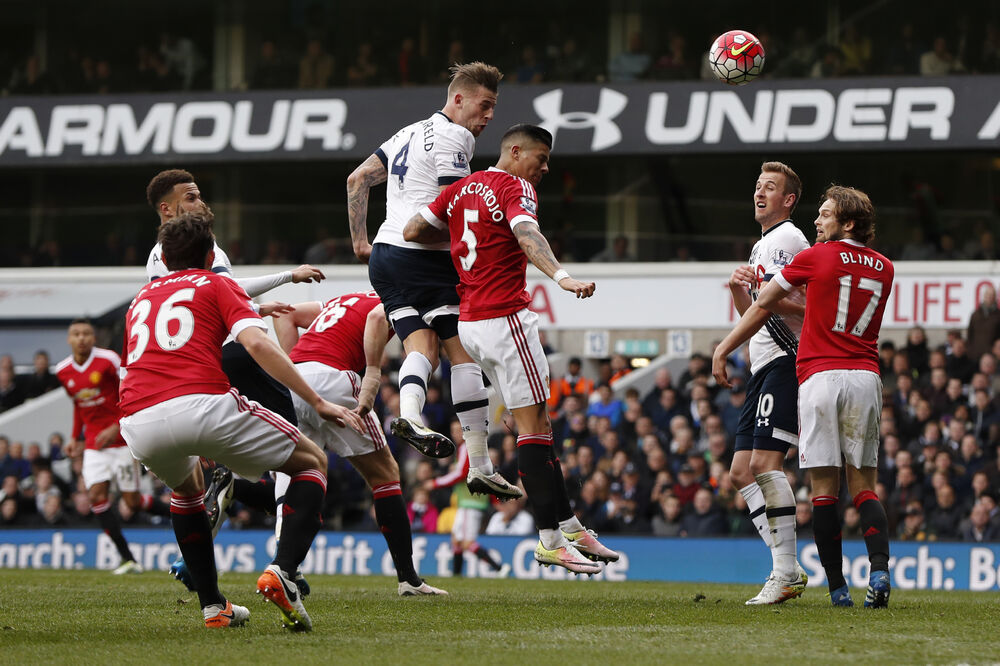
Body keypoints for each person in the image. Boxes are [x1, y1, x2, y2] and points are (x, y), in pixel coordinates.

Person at [119, 211, 365, 630]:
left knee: (188, 488)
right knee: (310, 461)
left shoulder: (140, 299)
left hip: (137, 419)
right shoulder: (218, 281)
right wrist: (316, 401)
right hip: (201, 404)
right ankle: (285, 572)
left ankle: (214, 607)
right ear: (212, 253)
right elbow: (256, 343)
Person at [402, 123, 618, 574]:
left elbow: (412, 229)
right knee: (535, 429)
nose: (543, 169)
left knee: (535, 425)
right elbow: (527, 236)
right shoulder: (514, 186)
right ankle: (549, 539)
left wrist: (458, 242)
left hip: (472, 323)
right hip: (505, 319)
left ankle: (571, 526)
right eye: (539, 159)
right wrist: (562, 278)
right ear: (515, 151)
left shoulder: (461, 189)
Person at [713, 184, 895, 609]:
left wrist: (723, 347)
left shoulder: (815, 257)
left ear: (847, 223)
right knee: (865, 487)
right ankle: (880, 572)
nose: (817, 220)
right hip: (865, 376)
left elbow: (763, 308)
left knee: (824, 491)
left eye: (826, 214)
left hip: (819, 376)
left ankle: (837, 590)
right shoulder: (885, 267)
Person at [346, 62, 519, 502]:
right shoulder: (456, 138)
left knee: (420, 349)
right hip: (425, 258)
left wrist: (361, 242)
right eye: (485, 105)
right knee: (462, 354)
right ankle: (480, 464)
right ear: (458, 99)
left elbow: (358, 178)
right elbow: (455, 207)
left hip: (385, 258)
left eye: (493, 109)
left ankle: (409, 415)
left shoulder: (407, 132)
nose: (488, 117)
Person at [144, 168, 325, 589]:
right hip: (238, 351)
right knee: (297, 457)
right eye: (190, 198)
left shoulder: (174, 252)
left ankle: (209, 541)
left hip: (206, 363)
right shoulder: (187, 249)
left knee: (239, 468)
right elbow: (220, 291)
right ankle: (287, 566)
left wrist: (257, 305)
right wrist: (287, 275)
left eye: (200, 194)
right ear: (167, 209)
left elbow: (204, 296)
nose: (201, 202)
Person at [271, 289, 447, 596]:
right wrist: (374, 372)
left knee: (303, 471)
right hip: (334, 379)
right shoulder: (395, 298)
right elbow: (378, 317)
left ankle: (283, 567)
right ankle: (408, 579)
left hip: (294, 380)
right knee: (385, 475)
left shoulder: (342, 300)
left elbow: (285, 313)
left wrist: (295, 372)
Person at [723, 162, 810, 605]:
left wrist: (765, 292)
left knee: (764, 464)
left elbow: (802, 303)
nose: (760, 192)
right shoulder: (763, 245)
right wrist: (743, 291)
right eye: (758, 185)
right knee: (741, 471)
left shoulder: (788, 239)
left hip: (786, 361)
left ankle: (784, 569)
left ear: (788, 200)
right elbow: (756, 316)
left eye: (770, 187)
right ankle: (787, 566)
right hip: (763, 365)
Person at [56, 319, 168, 575]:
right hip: (95, 446)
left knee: (133, 502)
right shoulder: (63, 371)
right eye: (76, 334)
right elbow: (78, 405)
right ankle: (128, 559)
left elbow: (131, 392)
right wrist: (75, 437)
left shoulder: (108, 361)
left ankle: (187, 512)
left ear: (94, 337)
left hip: (120, 442)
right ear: (69, 339)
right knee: (96, 496)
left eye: (86, 333)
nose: (81, 338)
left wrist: (116, 426)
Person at [425, 423, 511, 578]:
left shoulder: (466, 447)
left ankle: (499, 568)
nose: (456, 434)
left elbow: (461, 473)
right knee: (456, 540)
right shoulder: (470, 450)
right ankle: (456, 576)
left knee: (466, 542)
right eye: (453, 431)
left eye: (459, 430)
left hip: (470, 502)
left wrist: (436, 483)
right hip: (468, 502)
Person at [967, 284, 1000, 363]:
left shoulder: (998, 315)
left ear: (995, 297)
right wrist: (970, 350)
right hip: (974, 354)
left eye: (992, 295)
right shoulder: (975, 314)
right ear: (984, 296)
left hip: (991, 355)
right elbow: (970, 334)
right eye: (988, 295)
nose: (989, 297)